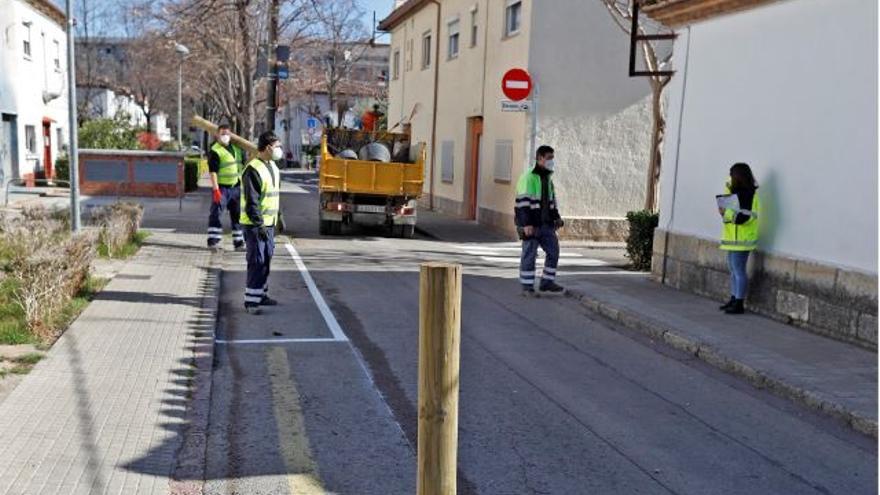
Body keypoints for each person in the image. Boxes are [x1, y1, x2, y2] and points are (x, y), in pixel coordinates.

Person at [240, 131, 282, 314]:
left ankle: (261, 294)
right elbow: (252, 203)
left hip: (269, 224)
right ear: (268, 147)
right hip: (255, 225)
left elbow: (273, 196)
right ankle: (251, 302)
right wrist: (259, 225)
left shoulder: (272, 166)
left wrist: (279, 216)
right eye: (277, 146)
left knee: (266, 259)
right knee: (256, 261)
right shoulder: (253, 169)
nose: (280, 150)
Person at [515, 145, 565, 296]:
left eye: (552, 158)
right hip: (532, 225)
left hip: (546, 224)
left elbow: (551, 202)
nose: (552, 161)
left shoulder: (548, 179)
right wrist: (526, 224)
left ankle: (547, 282)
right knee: (529, 254)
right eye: (549, 158)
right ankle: (527, 287)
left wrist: (556, 217)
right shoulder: (528, 177)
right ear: (540, 158)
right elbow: (522, 204)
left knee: (553, 251)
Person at [718, 162, 761, 315]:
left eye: (732, 175)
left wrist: (726, 213)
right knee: (733, 271)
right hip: (733, 239)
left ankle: (739, 303)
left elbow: (744, 217)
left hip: (742, 240)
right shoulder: (735, 192)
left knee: (739, 271)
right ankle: (734, 298)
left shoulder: (749, 194)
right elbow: (730, 214)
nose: (730, 177)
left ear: (738, 176)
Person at [207, 124, 245, 251]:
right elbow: (213, 172)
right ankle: (213, 241)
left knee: (237, 216)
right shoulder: (215, 150)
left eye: (227, 134)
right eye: (222, 134)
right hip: (222, 188)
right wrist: (216, 189)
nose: (225, 136)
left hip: (235, 187)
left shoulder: (236, 149)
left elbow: (243, 165)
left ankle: (238, 242)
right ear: (217, 135)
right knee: (216, 214)